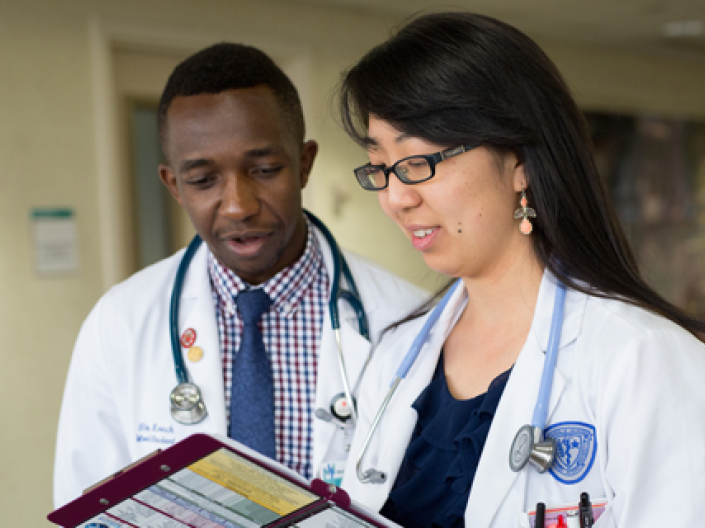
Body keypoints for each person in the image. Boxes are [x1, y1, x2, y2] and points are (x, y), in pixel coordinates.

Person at [336, 12, 705, 528]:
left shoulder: (642, 359)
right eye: (380, 168)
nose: (397, 197)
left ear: (519, 164)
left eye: (419, 161)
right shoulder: (398, 356)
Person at [53, 42, 426, 507]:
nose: (238, 205)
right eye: (203, 180)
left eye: (265, 169)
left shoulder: (408, 320)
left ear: (304, 163)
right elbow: (88, 504)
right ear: (172, 184)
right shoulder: (119, 323)